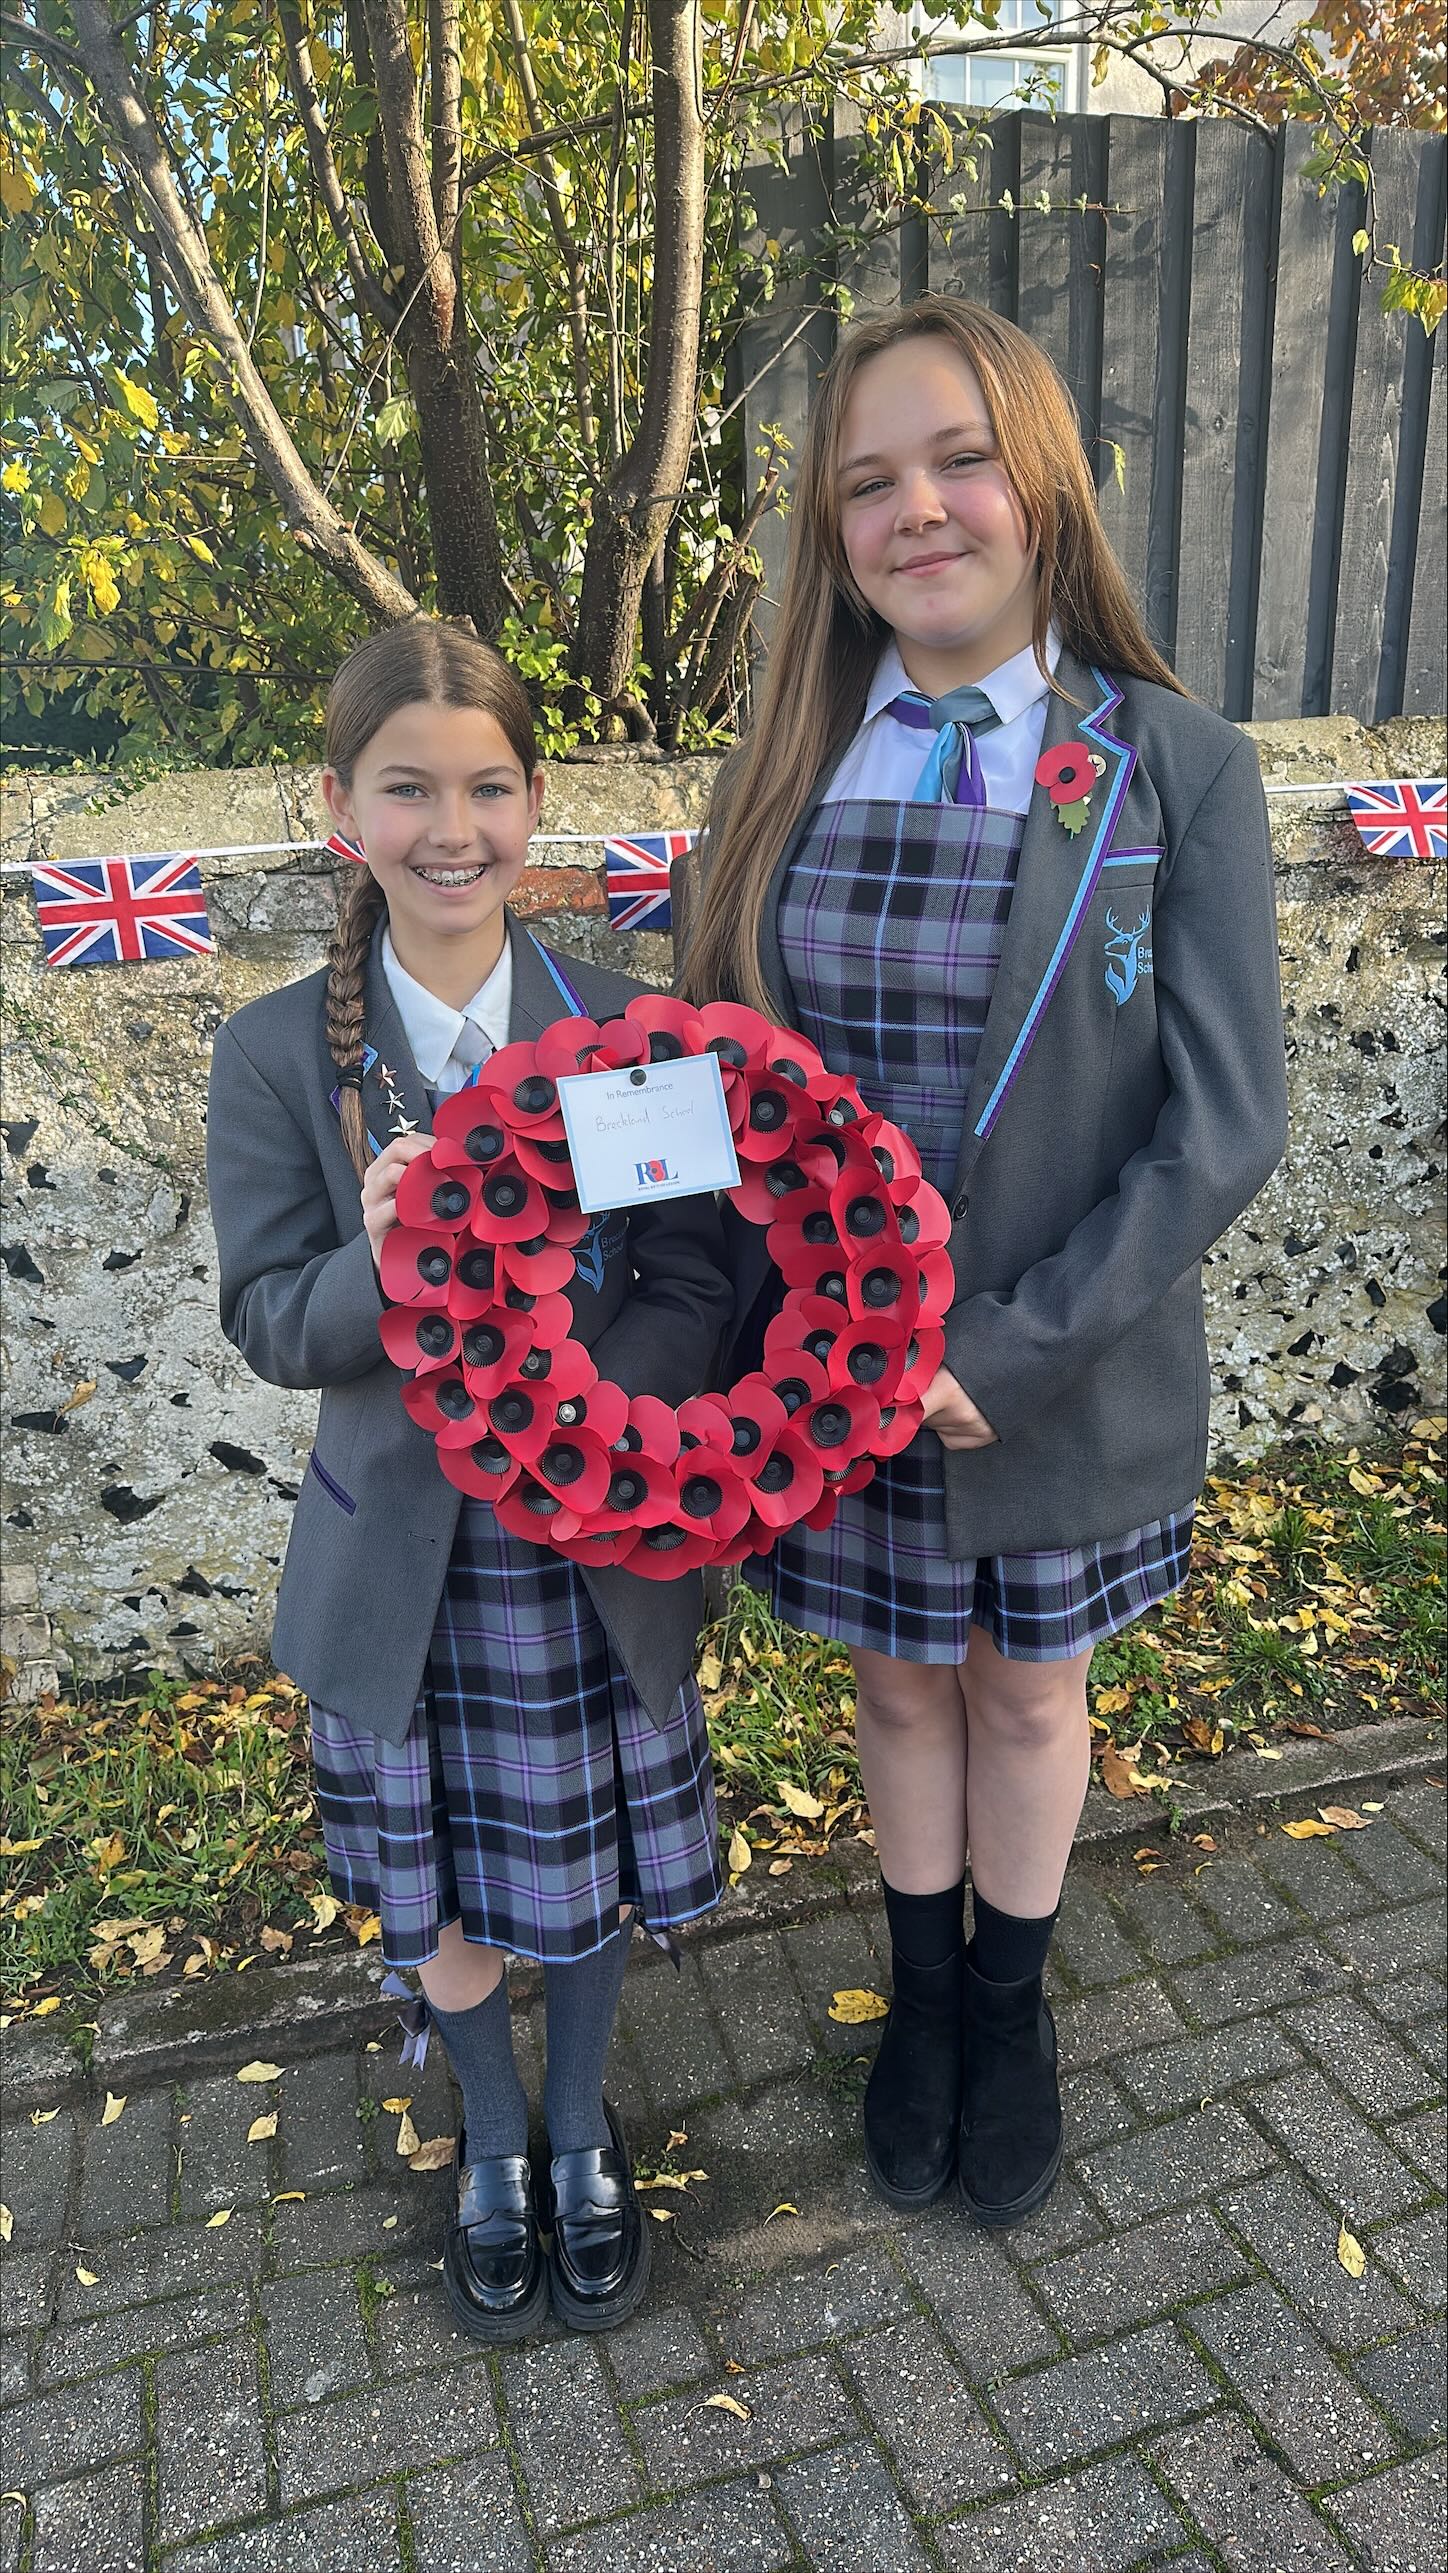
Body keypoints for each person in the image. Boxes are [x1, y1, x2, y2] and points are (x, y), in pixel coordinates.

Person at [676, 296, 1287, 2228]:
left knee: (1023, 1695)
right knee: (897, 1691)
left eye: (957, 461)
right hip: (835, 1374)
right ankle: (920, 2002)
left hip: (1057, 1364)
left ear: (1041, 482)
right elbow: (707, 1085)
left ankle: (1008, 2014)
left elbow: (1222, 1126)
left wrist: (1008, 1348)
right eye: (868, 482)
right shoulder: (783, 771)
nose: (916, 509)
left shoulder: (1174, 766)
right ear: (832, 531)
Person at [207, 618, 731, 2338]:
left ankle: (579, 2126)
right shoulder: (278, 1054)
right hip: (407, 1565)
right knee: (437, 1880)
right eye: (409, 788)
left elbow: (697, 1279)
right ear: (338, 807)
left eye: (489, 788)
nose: (453, 829)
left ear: (534, 800)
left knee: (579, 1866)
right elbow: (268, 1319)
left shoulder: (625, 1025)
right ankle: (492, 2134)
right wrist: (374, 1264)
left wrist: (589, 1404)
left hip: (588, 1538)